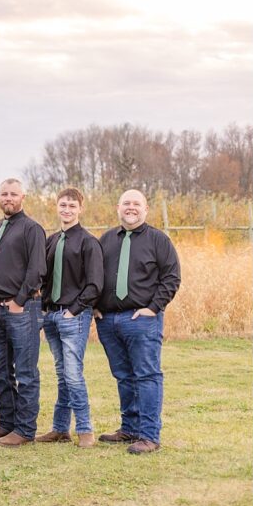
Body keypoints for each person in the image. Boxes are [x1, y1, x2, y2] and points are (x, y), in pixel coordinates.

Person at [95, 189, 180, 454]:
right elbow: (93, 275)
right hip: (108, 320)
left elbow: (171, 277)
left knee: (147, 375)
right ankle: (129, 428)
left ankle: (149, 435)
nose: (131, 208)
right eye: (126, 203)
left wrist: (153, 308)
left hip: (141, 319)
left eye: (136, 204)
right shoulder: (106, 239)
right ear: (118, 208)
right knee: (123, 376)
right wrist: (95, 306)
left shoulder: (158, 240)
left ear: (145, 209)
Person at [0, 179, 46, 447]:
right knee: (0, 371)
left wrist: (19, 300)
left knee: (26, 371)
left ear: (23, 197)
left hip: (21, 310)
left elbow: (37, 268)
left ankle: (25, 429)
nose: (8, 198)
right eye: (4, 194)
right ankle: (6, 423)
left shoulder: (32, 229)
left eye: (13, 194)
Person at [39, 188, 103, 448]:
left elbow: (95, 283)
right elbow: (44, 277)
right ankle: (60, 428)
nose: (67, 209)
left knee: (73, 373)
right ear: (57, 207)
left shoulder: (88, 242)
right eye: (63, 205)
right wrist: (44, 307)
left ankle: (85, 430)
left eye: (72, 206)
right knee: (61, 373)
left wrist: (74, 309)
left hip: (73, 315)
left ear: (80, 209)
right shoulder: (52, 240)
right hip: (51, 315)